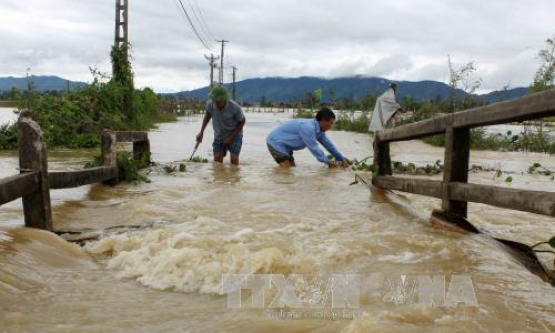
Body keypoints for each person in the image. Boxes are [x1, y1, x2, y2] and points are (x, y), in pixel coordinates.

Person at [266, 108, 350, 168]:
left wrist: (340, 158)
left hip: (286, 146)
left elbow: (329, 145)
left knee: (292, 169)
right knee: (286, 170)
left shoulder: (320, 131)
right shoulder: (308, 128)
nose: (331, 126)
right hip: (276, 142)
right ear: (323, 120)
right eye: (330, 123)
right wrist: (328, 162)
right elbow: (314, 148)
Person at [196, 85, 246, 165]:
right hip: (219, 135)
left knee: (234, 160)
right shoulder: (210, 104)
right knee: (217, 162)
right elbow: (207, 116)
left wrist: (230, 137)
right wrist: (201, 132)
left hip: (235, 135)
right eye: (215, 101)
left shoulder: (234, 107)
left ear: (225, 99)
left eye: (219, 102)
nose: (216, 104)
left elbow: (242, 121)